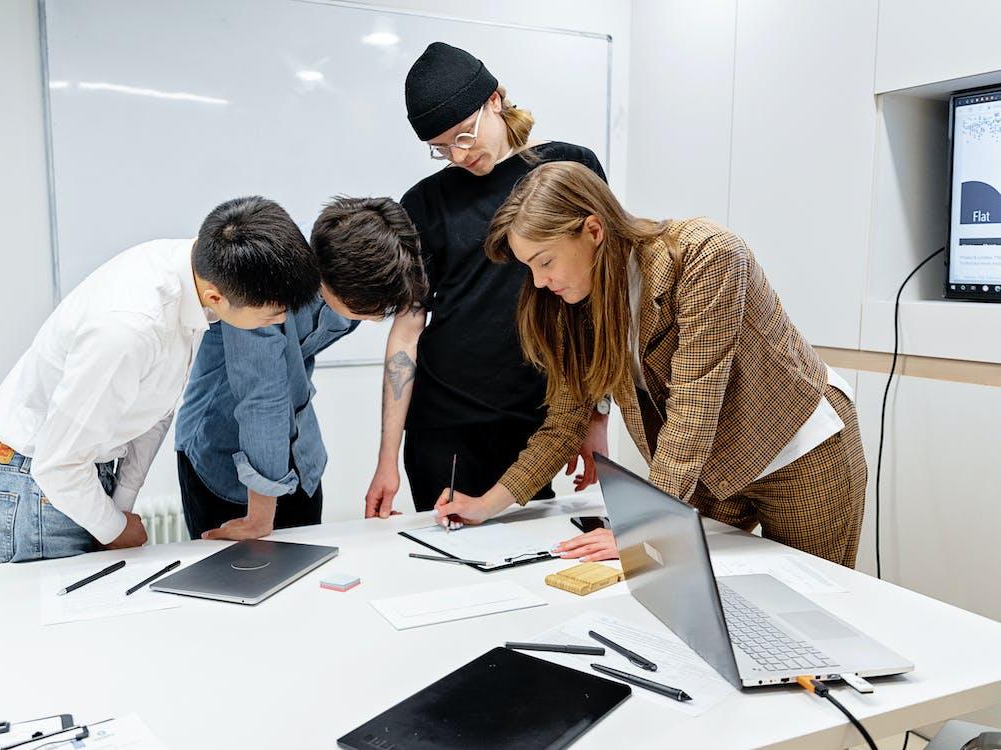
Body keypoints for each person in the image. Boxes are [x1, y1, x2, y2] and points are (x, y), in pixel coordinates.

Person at [435, 161, 867, 568]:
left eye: (545, 261)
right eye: (529, 268)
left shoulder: (704, 256)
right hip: (710, 473)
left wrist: (642, 529)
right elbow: (565, 423)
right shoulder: (573, 301)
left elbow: (692, 409)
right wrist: (485, 505)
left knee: (811, 607)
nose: (540, 282)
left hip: (799, 452)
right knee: (693, 596)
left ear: (593, 230)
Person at [0, 196, 320, 565]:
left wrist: (122, 503)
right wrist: (115, 528)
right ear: (218, 296)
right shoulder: (128, 327)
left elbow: (156, 407)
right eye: (271, 316)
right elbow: (57, 464)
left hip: (75, 476)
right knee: (53, 622)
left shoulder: (193, 280)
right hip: (34, 484)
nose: (278, 324)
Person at [365, 41, 609, 519]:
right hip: (444, 425)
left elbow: (596, 301)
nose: (457, 155)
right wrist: (385, 458)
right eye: (439, 148)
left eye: (464, 135)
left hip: (540, 418)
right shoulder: (423, 202)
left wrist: (594, 416)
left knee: (533, 564)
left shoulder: (567, 169)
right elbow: (407, 330)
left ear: (495, 99)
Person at [175, 197, 427, 540]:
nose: (374, 319)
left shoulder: (354, 253)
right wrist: (259, 519)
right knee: (239, 584)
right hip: (222, 454)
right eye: (371, 311)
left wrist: (387, 463)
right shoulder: (262, 278)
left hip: (300, 455)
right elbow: (262, 399)